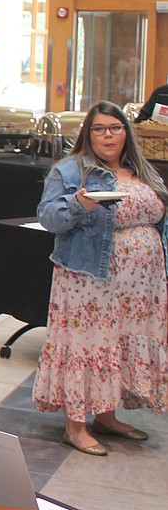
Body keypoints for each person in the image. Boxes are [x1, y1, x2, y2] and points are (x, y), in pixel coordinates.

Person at [34, 100, 168, 456]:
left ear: (127, 133)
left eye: (116, 127)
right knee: (87, 345)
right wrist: (80, 205)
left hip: (140, 287)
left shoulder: (140, 170)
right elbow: (48, 218)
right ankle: (75, 426)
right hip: (91, 280)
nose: (108, 135)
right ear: (87, 134)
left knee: (117, 346)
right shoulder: (70, 171)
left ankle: (107, 417)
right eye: (99, 128)